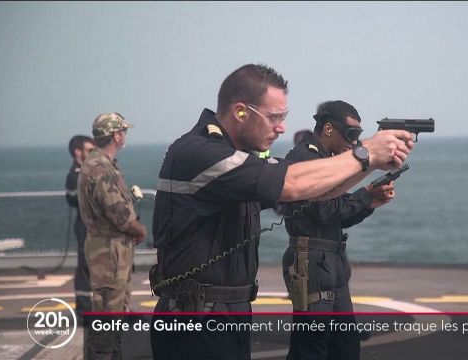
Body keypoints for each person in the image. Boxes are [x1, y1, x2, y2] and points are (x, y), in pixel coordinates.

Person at [150, 63, 413, 359]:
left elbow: (317, 190)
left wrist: (372, 166)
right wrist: (365, 153)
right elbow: (294, 184)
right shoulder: (200, 152)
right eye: (274, 117)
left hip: (226, 315)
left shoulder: (237, 161)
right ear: (240, 112)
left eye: (283, 117)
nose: (282, 127)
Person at [281, 101, 396, 360]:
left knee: (344, 346)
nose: (354, 142)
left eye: (358, 135)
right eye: (351, 134)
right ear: (329, 129)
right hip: (311, 263)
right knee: (311, 347)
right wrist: (365, 196)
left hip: (331, 263)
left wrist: (370, 202)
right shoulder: (305, 158)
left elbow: (336, 219)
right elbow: (324, 210)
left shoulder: (325, 161)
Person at [78, 112, 147, 359]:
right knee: (109, 314)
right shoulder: (101, 168)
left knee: (114, 311)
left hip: (110, 250)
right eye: (123, 132)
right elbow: (120, 215)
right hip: (109, 253)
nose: (124, 136)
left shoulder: (98, 164)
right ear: (116, 136)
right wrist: (140, 229)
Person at [65, 135, 95, 324]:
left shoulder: (86, 172)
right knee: (85, 268)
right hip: (84, 227)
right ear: (78, 152)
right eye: (89, 150)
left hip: (94, 226)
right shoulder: (74, 175)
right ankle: (84, 310)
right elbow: (74, 198)